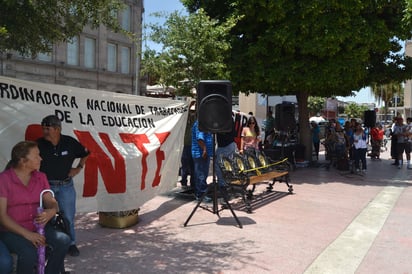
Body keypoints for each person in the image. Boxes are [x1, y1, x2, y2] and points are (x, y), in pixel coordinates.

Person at [0, 141, 70, 274]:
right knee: (29, 253)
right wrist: (28, 235)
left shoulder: (40, 177)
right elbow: (2, 217)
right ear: (23, 161)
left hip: (37, 227)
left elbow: (50, 200)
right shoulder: (3, 180)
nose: (41, 158)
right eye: (36, 156)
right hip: (11, 231)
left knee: (63, 241)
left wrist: (52, 210)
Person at [37, 115, 89, 257]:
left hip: (66, 186)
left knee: (68, 217)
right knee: (48, 218)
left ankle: (71, 243)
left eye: (48, 129)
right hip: (46, 188)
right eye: (43, 129)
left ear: (57, 129)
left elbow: (86, 153)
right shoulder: (38, 144)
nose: (45, 132)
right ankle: (50, 245)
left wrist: (78, 168)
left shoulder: (69, 142)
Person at [191, 119, 213, 202]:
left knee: (202, 174)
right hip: (200, 153)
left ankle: (200, 192)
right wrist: (204, 150)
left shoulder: (204, 123)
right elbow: (199, 138)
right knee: (201, 174)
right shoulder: (200, 123)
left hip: (204, 153)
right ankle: (201, 194)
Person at [180, 101, 196, 190]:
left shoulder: (195, 121)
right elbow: (185, 114)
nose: (192, 114)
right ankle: (184, 181)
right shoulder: (185, 122)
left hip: (192, 145)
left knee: (192, 165)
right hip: (186, 145)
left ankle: (192, 182)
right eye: (191, 112)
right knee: (185, 165)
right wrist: (190, 105)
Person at [215, 121, 237, 188]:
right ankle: (227, 181)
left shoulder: (223, 119)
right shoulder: (229, 118)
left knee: (218, 164)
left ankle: (222, 183)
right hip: (230, 144)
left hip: (225, 145)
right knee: (228, 164)